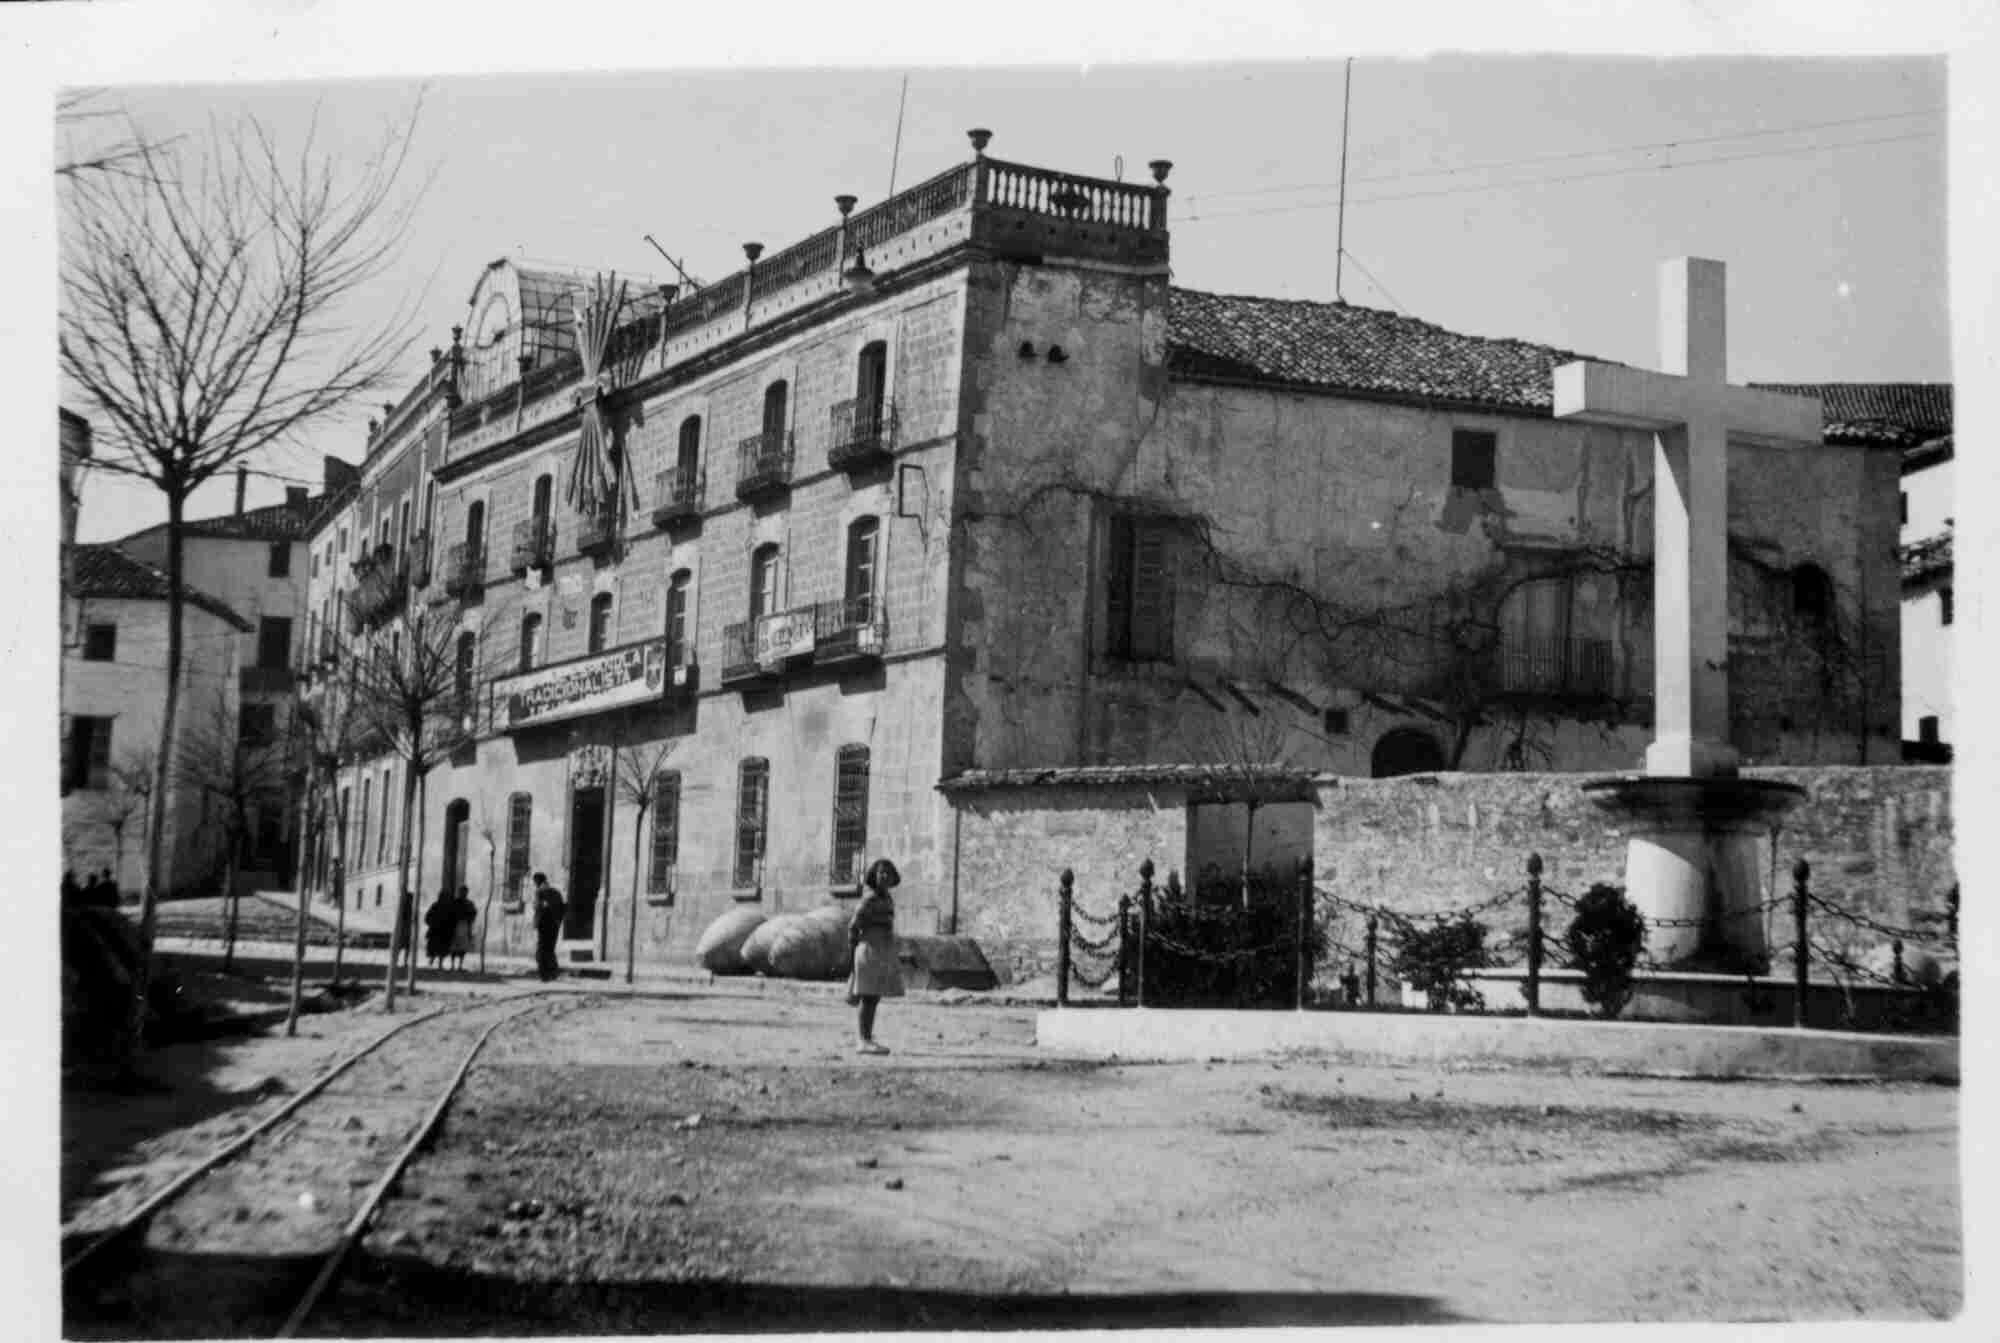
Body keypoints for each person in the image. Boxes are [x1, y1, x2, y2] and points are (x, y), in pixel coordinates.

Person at [846, 857, 905, 1055]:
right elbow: (853, 927)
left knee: (874, 996)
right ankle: (863, 1039)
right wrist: (852, 958)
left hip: (881, 950)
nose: (885, 876)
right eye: (881, 872)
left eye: (888, 873)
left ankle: (867, 1036)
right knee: (868, 996)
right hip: (868, 950)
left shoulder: (887, 899)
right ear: (874, 875)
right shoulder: (869, 899)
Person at [532, 873, 565, 982]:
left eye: (535, 882)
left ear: (537, 882)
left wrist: (536, 922)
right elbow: (563, 908)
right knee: (550, 949)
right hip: (554, 925)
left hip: (543, 925)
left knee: (541, 950)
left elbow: (537, 907)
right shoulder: (556, 892)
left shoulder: (539, 892)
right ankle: (553, 973)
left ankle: (544, 975)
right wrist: (558, 921)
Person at [423, 889, 454, 969]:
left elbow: (451, 919)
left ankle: (439, 963)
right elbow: (427, 917)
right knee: (434, 947)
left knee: (442, 948)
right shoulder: (435, 906)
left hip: (444, 931)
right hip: (436, 930)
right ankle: (432, 960)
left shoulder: (448, 907)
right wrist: (432, 923)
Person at [450, 884, 477, 972]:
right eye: (462, 892)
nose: (463, 894)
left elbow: (473, 913)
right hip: (455, 925)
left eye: (465, 892)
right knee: (454, 946)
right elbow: (451, 913)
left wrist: (470, 920)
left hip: (465, 925)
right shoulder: (455, 902)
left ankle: (460, 965)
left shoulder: (469, 903)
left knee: (463, 947)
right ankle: (453, 964)